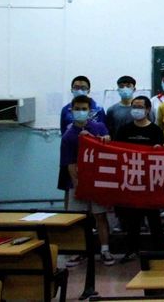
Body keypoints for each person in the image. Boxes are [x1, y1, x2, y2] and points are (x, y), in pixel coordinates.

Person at [58, 95, 114, 266]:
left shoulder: (99, 127)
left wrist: (104, 139)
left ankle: (105, 250)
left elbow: (110, 148)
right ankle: (78, 251)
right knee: (78, 219)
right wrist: (78, 185)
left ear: (90, 111)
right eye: (77, 109)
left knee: (100, 216)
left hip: (98, 182)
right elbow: (69, 164)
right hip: (78, 183)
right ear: (71, 110)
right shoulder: (68, 136)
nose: (80, 112)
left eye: (84, 109)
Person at [115, 96, 164, 263]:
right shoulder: (124, 130)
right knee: (132, 219)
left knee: (154, 218)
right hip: (131, 180)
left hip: (151, 180)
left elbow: (162, 155)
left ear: (148, 109)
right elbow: (117, 151)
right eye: (134, 106)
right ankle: (132, 250)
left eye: (140, 106)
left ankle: (159, 250)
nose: (136, 110)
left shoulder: (155, 130)